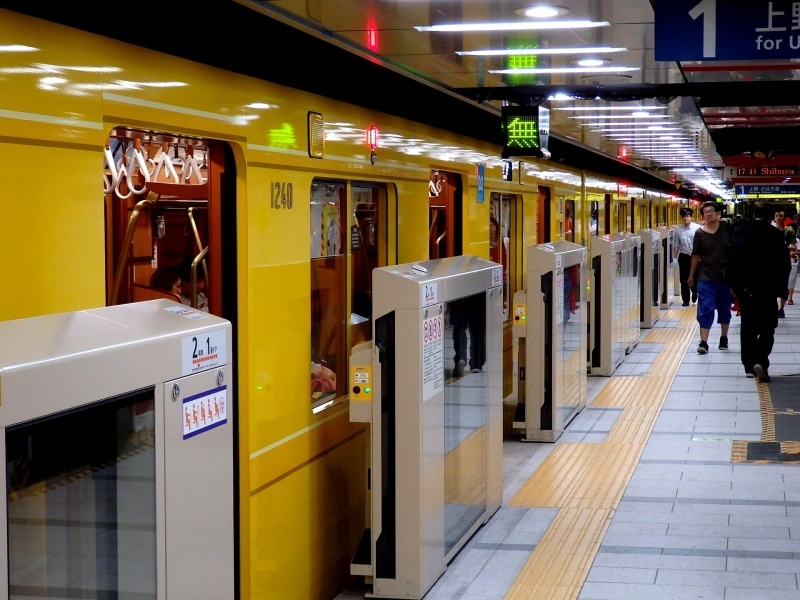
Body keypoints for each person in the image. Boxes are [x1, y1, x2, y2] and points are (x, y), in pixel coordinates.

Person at [726, 204, 790, 382]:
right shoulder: (776, 235)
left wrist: (732, 284)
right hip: (768, 289)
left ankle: (748, 366)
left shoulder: (741, 231)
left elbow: (731, 257)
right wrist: (782, 290)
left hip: (746, 288)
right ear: (771, 218)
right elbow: (784, 264)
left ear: (754, 215)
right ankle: (762, 359)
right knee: (768, 326)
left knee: (748, 326)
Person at [687, 201, 733, 354]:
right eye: (705, 212)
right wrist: (691, 275)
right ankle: (704, 342)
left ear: (718, 213)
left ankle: (724, 337)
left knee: (725, 308)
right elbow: (696, 255)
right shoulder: (699, 233)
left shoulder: (727, 228)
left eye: (711, 211)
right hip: (706, 277)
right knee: (705, 308)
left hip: (726, 277)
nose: (708, 214)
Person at [673, 207, 700, 306]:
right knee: (683, 278)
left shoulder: (697, 228)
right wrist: (675, 258)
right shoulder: (678, 230)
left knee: (695, 277)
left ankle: (694, 291)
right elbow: (676, 244)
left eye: (688, 216)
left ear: (691, 217)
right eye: (684, 216)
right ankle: (685, 300)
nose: (686, 218)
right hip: (684, 257)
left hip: (695, 257)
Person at [775, 211, 796, 318]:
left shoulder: (789, 231)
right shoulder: (770, 230)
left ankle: (781, 309)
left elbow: (794, 246)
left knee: (784, 285)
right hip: (772, 262)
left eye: (781, 216)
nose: (779, 218)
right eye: (777, 216)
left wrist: (783, 248)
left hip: (784, 262)